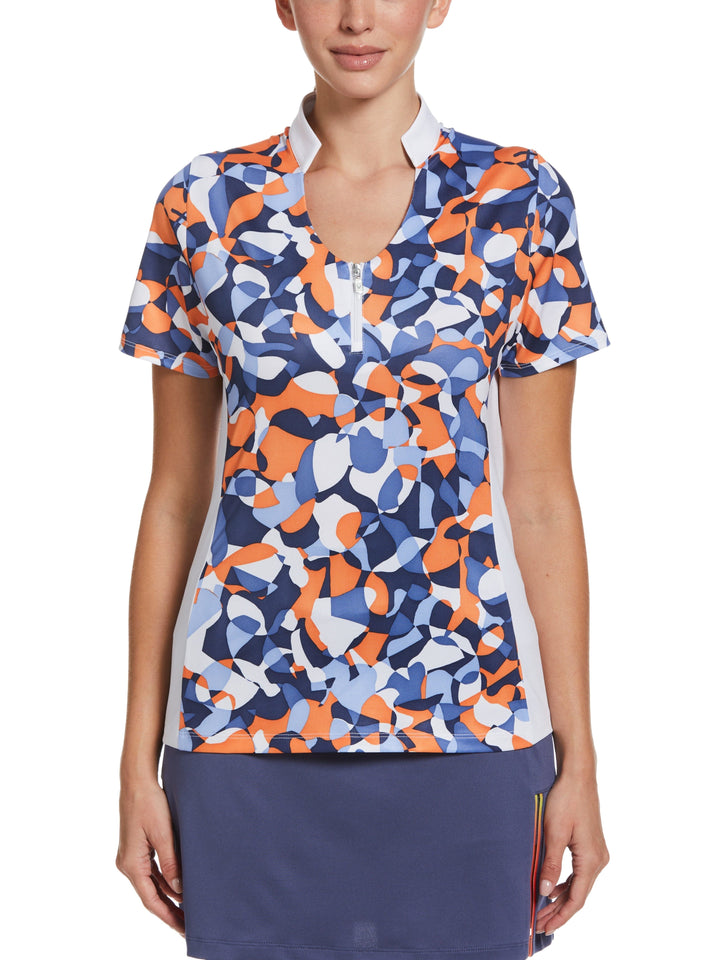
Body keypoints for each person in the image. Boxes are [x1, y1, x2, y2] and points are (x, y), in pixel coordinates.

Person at [115, 2, 611, 959]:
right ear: (283, 4)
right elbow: (174, 497)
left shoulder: (518, 198)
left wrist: (579, 760)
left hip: (469, 721)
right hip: (241, 726)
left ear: (438, 2)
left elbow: (544, 500)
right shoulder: (206, 202)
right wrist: (137, 761)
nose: (356, 17)